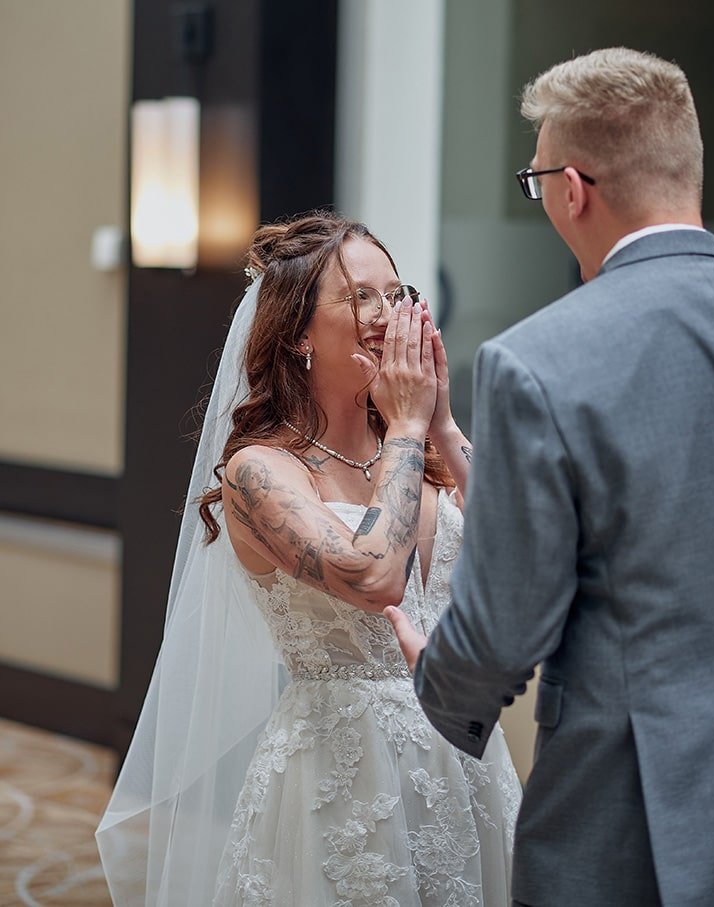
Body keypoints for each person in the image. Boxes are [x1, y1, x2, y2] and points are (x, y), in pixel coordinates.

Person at [96, 212, 521, 906]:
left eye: (396, 294)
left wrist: (440, 420)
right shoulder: (259, 471)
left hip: (464, 754)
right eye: (361, 297)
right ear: (298, 333)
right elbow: (374, 576)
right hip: (347, 777)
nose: (388, 314)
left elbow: (517, 542)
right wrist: (408, 426)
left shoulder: (421, 448)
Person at [386, 47, 714, 907]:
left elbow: (505, 625)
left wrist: (439, 677)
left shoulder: (539, 360)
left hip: (627, 809)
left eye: (537, 182)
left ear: (573, 190)